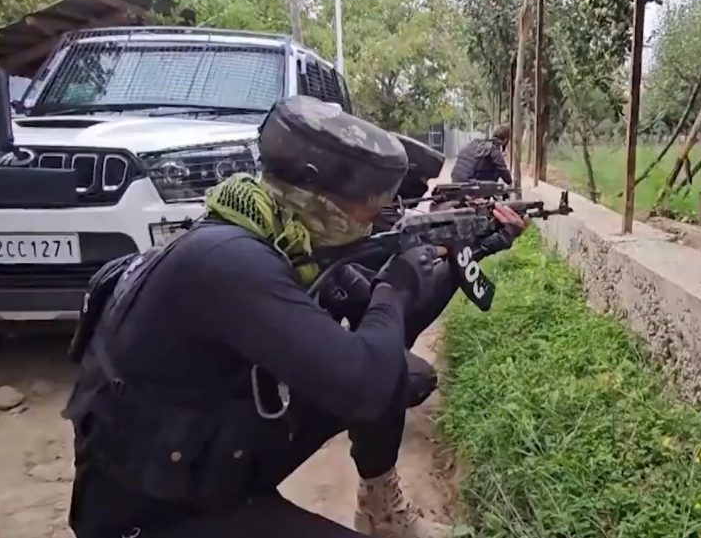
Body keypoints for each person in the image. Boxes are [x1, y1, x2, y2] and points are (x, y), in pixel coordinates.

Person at [63, 96, 527, 538]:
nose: (378, 215)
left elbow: (386, 329)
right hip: (152, 514)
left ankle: (380, 509)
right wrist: (395, 284)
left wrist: (472, 250)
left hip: (210, 466)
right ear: (320, 195)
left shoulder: (284, 237)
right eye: (370, 202)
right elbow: (364, 381)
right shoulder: (229, 262)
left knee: (400, 374)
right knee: (374, 378)